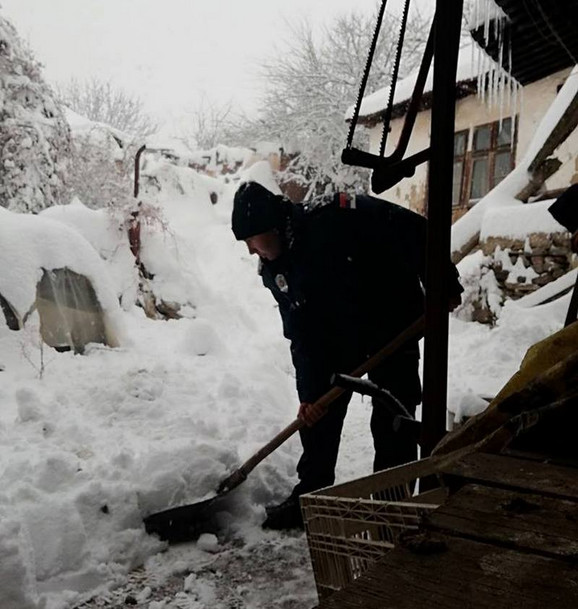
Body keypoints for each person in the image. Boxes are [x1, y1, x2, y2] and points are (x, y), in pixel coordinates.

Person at [231, 181, 463, 530]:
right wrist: (310, 397)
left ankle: (391, 506)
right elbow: (300, 334)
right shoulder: (276, 270)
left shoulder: (336, 215)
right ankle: (311, 497)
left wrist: (443, 282)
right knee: (319, 416)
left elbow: (416, 229)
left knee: (394, 413)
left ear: (274, 226)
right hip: (335, 338)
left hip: (391, 321)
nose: (251, 250)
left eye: (253, 239)